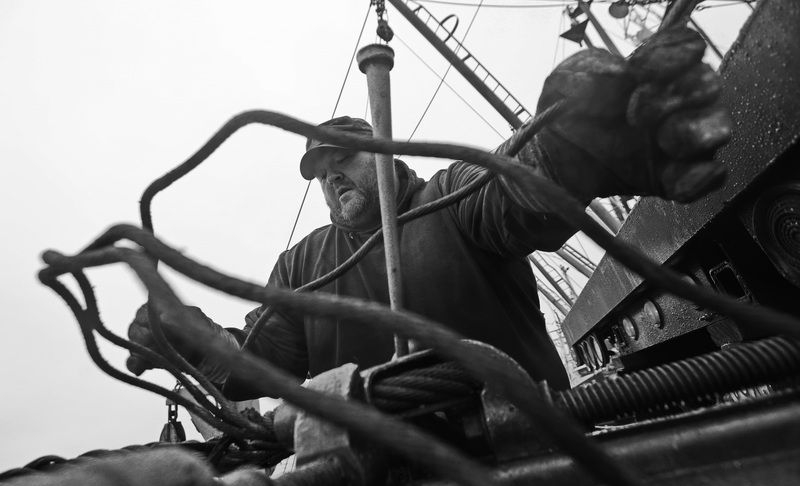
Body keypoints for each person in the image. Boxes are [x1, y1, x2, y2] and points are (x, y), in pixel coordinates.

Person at [128, 27, 731, 401]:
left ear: (385, 151)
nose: (332, 173)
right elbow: (264, 363)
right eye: (320, 170)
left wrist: (569, 150)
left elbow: (516, 196)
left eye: (346, 157)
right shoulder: (300, 266)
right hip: (385, 479)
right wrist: (195, 343)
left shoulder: (452, 196)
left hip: (528, 450)